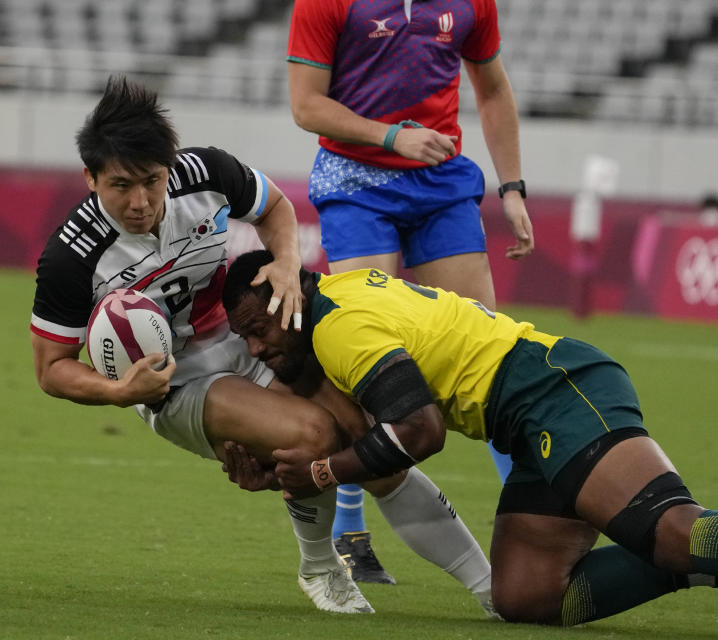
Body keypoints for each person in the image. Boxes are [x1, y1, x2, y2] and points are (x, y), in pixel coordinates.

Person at [222, 250, 718, 640]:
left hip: (553, 385)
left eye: (260, 328)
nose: (258, 347)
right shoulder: (323, 316)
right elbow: (341, 420)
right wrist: (274, 465)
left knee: (670, 529)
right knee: (526, 597)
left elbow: (419, 432)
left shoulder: (340, 327)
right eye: (245, 337)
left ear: (288, 295)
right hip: (522, 416)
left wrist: (321, 467)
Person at [29, 76, 496, 617]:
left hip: (243, 338)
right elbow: (51, 369)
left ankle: (490, 588)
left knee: (373, 443)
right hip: (174, 383)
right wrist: (120, 390)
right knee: (314, 435)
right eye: (120, 186)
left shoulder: (205, 173)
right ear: (90, 177)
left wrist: (286, 263)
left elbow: (275, 208)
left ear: (171, 164)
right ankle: (320, 568)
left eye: (151, 182)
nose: (139, 203)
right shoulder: (72, 256)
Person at [285, 0, 535, 581]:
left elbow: (493, 90)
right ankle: (350, 531)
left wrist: (514, 189)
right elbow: (306, 105)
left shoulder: (473, 4)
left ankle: (531, 524)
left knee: (491, 355)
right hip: (355, 181)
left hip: (440, 183)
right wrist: (389, 137)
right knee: (364, 354)